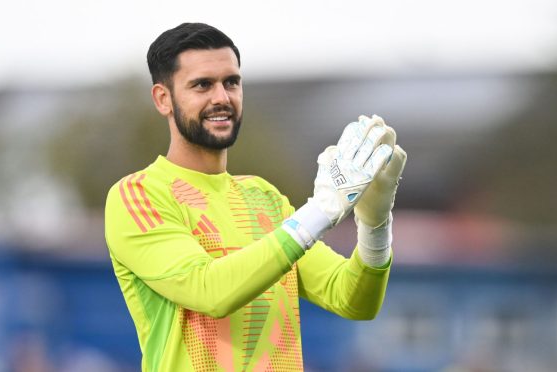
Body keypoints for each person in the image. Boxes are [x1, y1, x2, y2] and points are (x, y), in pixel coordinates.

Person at [104, 22, 407, 371]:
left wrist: (375, 225)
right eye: (202, 85)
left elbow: (352, 300)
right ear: (163, 98)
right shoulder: (138, 194)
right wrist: (321, 209)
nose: (221, 97)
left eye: (231, 82)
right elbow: (210, 292)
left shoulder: (263, 196)